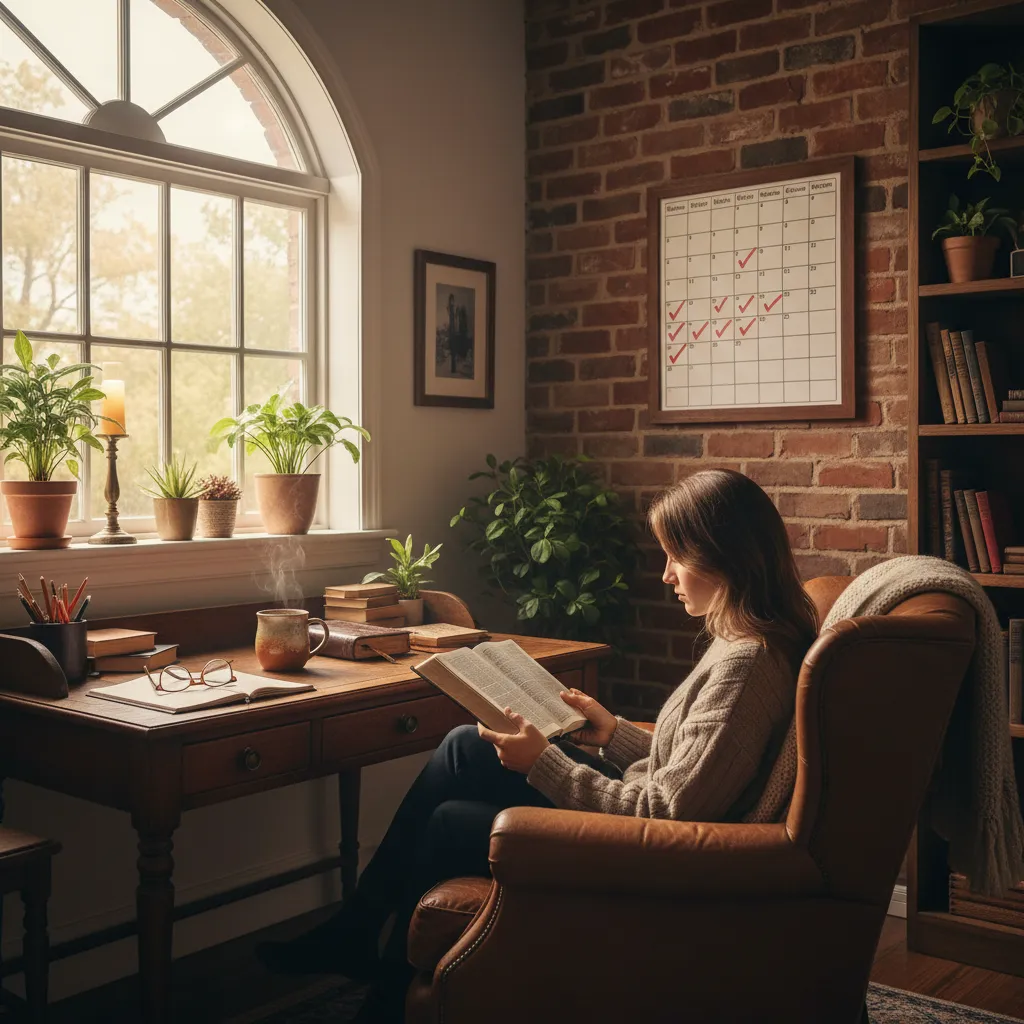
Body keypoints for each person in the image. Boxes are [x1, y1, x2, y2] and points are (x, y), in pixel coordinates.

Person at [258, 469, 818, 1021]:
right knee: (464, 746)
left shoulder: (744, 666)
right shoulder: (750, 642)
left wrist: (544, 763)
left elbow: (666, 812)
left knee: (453, 818)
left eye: (677, 556)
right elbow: (694, 765)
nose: (667, 575)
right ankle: (363, 943)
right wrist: (613, 734)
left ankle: (379, 987)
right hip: (653, 826)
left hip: (654, 855)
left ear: (725, 557)